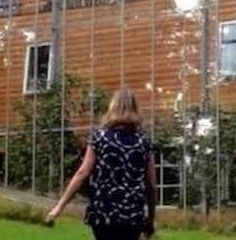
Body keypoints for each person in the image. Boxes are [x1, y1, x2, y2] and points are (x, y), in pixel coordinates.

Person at [45, 88, 157, 240]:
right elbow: (150, 184)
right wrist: (150, 219)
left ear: (112, 108)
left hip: (104, 212)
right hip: (132, 215)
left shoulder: (99, 138)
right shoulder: (143, 143)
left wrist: (58, 208)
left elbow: (82, 174)